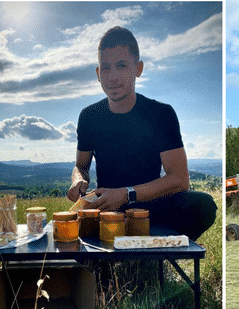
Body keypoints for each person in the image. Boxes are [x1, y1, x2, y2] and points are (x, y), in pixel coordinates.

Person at [66, 26, 217, 241]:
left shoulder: (161, 114)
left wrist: (127, 194)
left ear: (138, 68)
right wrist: (77, 180)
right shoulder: (89, 116)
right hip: (106, 207)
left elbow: (180, 180)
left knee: (202, 205)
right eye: (106, 68)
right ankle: (115, 255)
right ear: (98, 74)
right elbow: (81, 167)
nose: (113, 77)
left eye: (121, 66)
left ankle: (151, 248)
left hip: (151, 205)